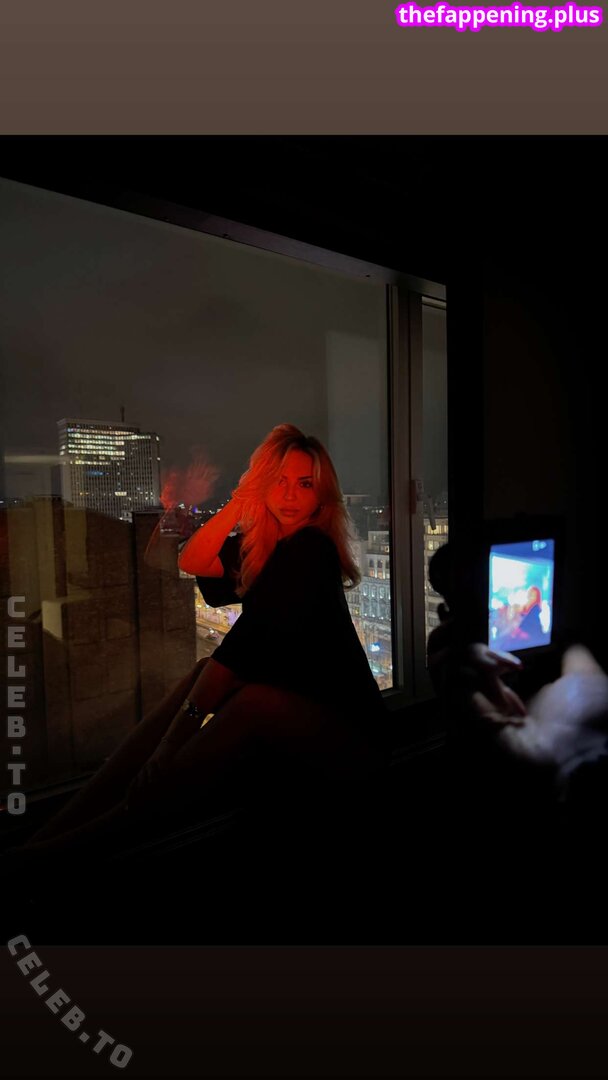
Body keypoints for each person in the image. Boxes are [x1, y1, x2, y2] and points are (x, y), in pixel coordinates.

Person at [17, 424, 388, 864]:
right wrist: (239, 503)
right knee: (206, 678)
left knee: (245, 701)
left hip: (346, 729)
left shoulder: (311, 549)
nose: (290, 495)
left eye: (304, 484)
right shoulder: (267, 546)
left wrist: (172, 744)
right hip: (297, 711)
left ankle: (58, 851)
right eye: (278, 481)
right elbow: (188, 559)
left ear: (321, 494)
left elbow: (241, 649)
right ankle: (57, 832)